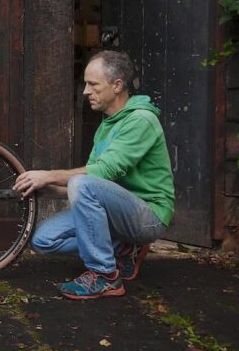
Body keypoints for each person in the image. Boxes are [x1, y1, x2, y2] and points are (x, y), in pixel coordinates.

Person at [13, 50, 175, 300]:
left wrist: (48, 175)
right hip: (116, 211)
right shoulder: (106, 125)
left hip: (148, 215)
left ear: (117, 85)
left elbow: (100, 174)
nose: (86, 91)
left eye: (93, 84)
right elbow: (95, 186)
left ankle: (105, 276)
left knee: (82, 182)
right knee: (43, 240)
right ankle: (123, 248)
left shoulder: (141, 121)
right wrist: (46, 190)